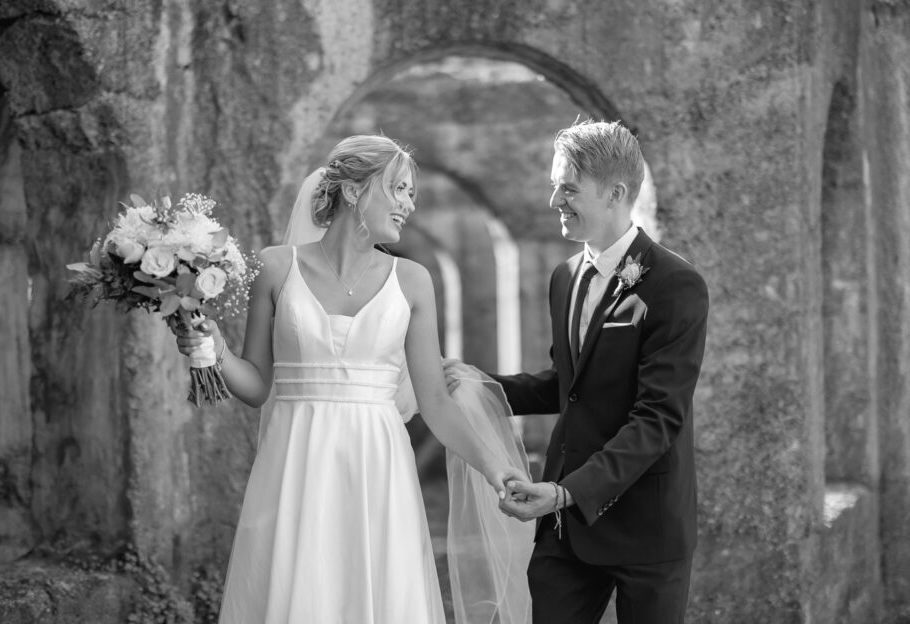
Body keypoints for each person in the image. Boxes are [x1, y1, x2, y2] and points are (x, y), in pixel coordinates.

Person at [172, 135, 530, 623]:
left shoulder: (413, 281)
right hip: (293, 461)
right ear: (355, 191)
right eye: (399, 189)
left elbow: (436, 403)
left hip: (378, 465)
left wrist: (494, 468)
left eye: (412, 194)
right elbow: (256, 386)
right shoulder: (276, 267)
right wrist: (212, 348)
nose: (409, 203)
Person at [446, 120, 709, 623]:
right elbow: (567, 387)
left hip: (646, 525)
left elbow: (658, 418)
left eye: (567, 188)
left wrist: (569, 491)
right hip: (566, 528)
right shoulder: (564, 278)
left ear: (615, 192)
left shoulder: (676, 284)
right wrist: (476, 381)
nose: (554, 201)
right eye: (554, 185)